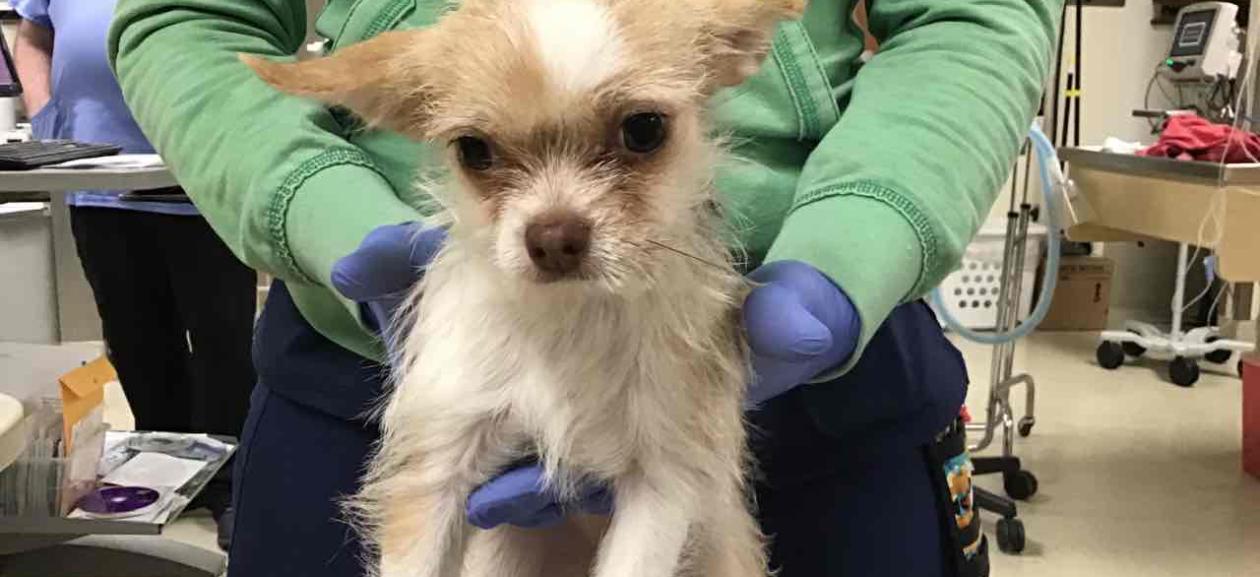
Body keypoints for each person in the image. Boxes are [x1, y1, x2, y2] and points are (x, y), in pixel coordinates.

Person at [109, 0, 1057, 575]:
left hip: (828, 411)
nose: (557, 223)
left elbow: (968, 16)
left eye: (638, 134)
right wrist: (316, 207)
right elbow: (190, 19)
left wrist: (859, 241)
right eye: (483, 154)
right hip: (341, 388)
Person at [13, 0, 256, 549]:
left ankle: (233, 483)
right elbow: (32, 38)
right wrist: (49, 116)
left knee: (224, 342)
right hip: (96, 181)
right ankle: (164, 466)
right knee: (135, 340)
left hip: (202, 184)